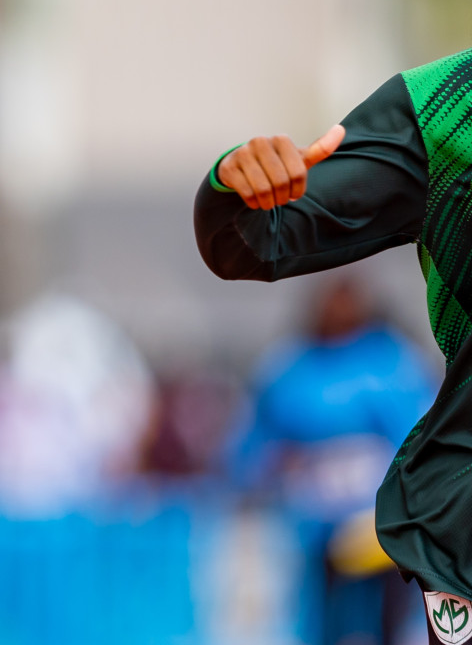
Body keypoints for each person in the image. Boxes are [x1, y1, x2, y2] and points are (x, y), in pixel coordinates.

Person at [193, 51, 472, 645]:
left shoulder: (386, 363)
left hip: (372, 531)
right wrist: (233, 183)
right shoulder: (446, 105)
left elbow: (407, 416)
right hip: (347, 533)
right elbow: (248, 237)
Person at [224, 278, 435, 644]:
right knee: (322, 619)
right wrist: (271, 469)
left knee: (387, 617)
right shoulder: (288, 368)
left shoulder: (392, 363)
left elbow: (418, 435)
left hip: (379, 522)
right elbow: (254, 447)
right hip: (312, 523)